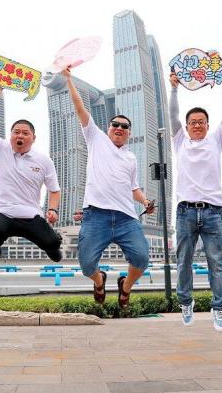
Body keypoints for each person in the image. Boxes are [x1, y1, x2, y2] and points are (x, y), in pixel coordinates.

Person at [62, 67, 154, 309]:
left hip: (126, 218)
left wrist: (145, 202)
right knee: (86, 265)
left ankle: (125, 286)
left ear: (129, 133)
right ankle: (99, 280)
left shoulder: (131, 158)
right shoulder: (95, 138)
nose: (119, 128)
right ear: (108, 128)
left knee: (142, 258)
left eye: (125, 126)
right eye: (116, 124)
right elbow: (80, 108)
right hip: (96, 216)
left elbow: (133, 188)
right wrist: (69, 80)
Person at [169, 71, 222, 331]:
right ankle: (186, 302)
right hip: (185, 211)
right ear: (186, 127)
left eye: (201, 122)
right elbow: (173, 114)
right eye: (193, 122)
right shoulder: (180, 142)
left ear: (208, 125)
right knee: (183, 262)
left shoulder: (216, 140)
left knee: (216, 263)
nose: (197, 125)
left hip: (213, 212)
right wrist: (174, 89)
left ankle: (218, 308)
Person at [0, 87, 63, 276]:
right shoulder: (0, 149)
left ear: (33, 138)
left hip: (30, 214)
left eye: (25, 133)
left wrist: (53, 210)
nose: (20, 136)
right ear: (10, 136)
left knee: (53, 244)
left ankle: (53, 244)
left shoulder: (44, 160)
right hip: (3, 211)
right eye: (16, 132)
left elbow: (54, 190)